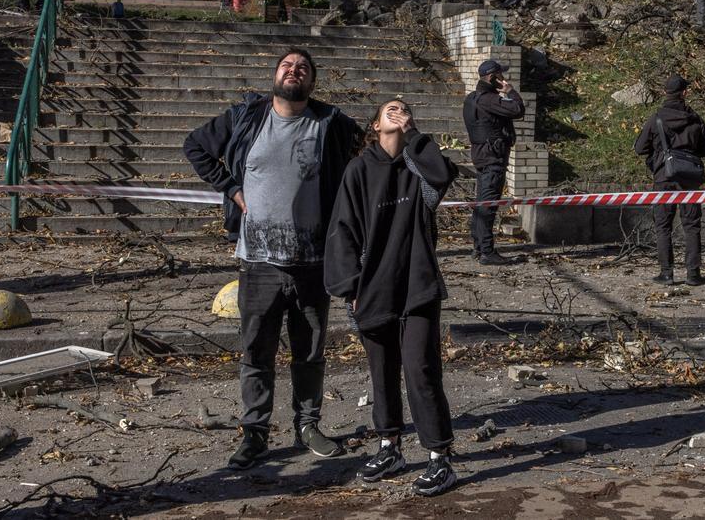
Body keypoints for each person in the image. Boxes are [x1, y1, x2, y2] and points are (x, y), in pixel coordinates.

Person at [183, 48, 363, 469]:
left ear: (311, 81)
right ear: (275, 75)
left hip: (312, 261)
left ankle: (308, 425)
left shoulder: (330, 123)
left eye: (302, 68)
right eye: (287, 65)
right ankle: (255, 434)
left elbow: (371, 152)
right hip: (258, 262)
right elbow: (195, 146)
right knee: (256, 352)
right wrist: (231, 188)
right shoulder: (246, 116)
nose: (293, 71)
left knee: (310, 352)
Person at [325, 99, 459, 497]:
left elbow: (440, 174)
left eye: (405, 109)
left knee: (421, 369)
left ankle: (439, 458)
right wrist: (349, 287)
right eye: (390, 109)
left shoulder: (418, 167)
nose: (398, 113)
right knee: (381, 373)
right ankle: (390, 446)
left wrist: (414, 135)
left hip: (417, 285)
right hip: (373, 288)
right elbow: (342, 230)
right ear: (374, 124)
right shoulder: (359, 170)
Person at [633, 74, 705, 286]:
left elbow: (640, 148)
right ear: (685, 93)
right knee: (692, 225)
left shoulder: (656, 119)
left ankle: (667, 273)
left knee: (663, 226)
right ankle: (693, 274)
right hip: (690, 179)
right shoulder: (696, 119)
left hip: (663, 177)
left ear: (665, 93)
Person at [463, 59, 525, 265]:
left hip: (482, 156)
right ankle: (487, 252)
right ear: (492, 78)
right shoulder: (489, 99)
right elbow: (517, 109)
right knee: (488, 205)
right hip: (492, 159)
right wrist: (510, 91)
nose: (504, 79)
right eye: (501, 75)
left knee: (482, 203)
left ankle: (478, 247)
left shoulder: (472, 98)